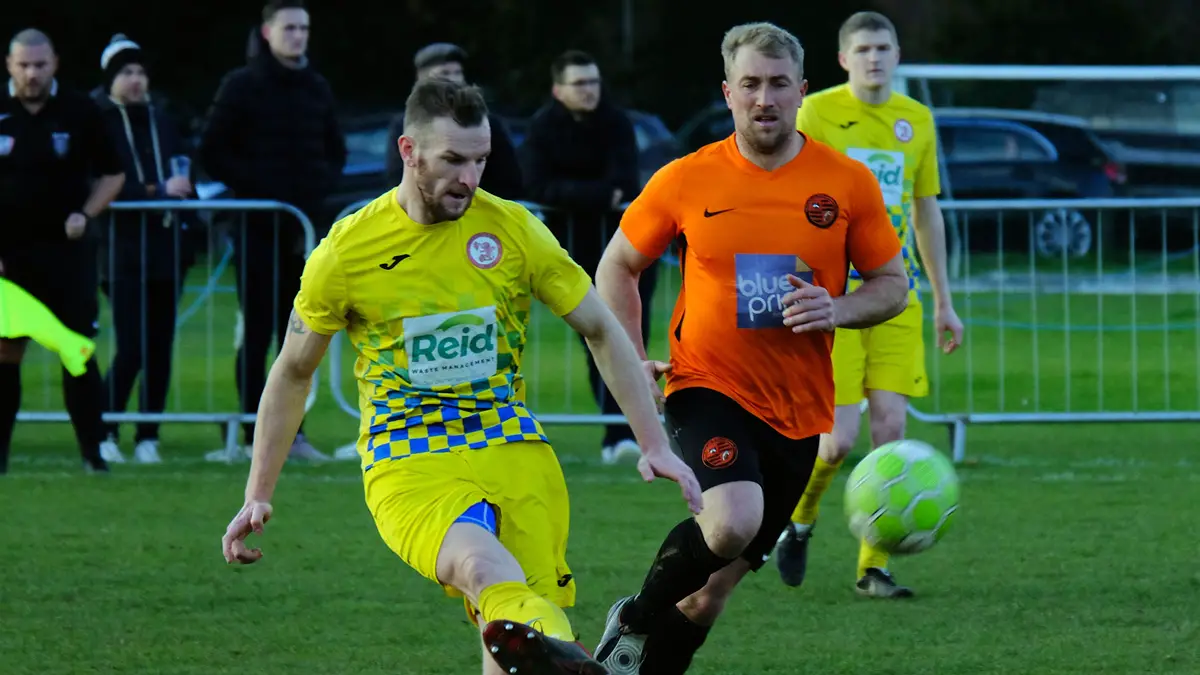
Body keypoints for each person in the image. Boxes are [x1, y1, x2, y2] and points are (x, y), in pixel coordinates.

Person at [219, 78, 703, 675]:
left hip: (512, 446)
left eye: (480, 159)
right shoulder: (346, 253)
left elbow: (601, 328)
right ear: (408, 151)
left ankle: (567, 660)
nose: (469, 178)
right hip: (410, 459)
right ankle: (581, 666)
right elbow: (292, 372)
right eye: (452, 160)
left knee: (514, 633)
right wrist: (257, 493)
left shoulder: (513, 229)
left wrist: (652, 441)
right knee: (483, 569)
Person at [591, 22, 909, 674]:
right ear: (728, 93)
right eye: (750, 84)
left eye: (778, 84)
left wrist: (838, 306)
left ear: (803, 92)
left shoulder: (845, 182)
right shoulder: (686, 178)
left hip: (799, 406)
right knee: (732, 519)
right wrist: (631, 351)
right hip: (705, 383)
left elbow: (894, 287)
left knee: (709, 595)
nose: (764, 98)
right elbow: (618, 265)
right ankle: (630, 621)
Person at [774, 10, 964, 599]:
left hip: (895, 293)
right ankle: (799, 521)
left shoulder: (917, 119)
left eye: (883, 47)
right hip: (836, 296)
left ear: (898, 54)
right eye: (863, 49)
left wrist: (944, 301)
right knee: (837, 442)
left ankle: (872, 567)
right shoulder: (818, 113)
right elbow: (793, 196)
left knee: (892, 431)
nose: (874, 58)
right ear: (843, 59)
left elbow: (926, 210)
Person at [199, 0, 345, 461]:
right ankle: (248, 433)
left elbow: (334, 150)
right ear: (267, 33)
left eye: (303, 27)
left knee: (300, 333)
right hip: (256, 228)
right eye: (289, 28)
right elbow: (212, 149)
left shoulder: (317, 86)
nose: (298, 36)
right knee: (257, 332)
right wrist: (260, 190)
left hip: (301, 232)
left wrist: (314, 192)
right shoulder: (241, 85)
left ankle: (293, 436)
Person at [0, 28, 125, 475]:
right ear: (10, 65)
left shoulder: (79, 110)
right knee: (5, 353)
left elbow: (114, 174)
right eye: (23, 65)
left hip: (66, 256)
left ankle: (93, 454)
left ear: (54, 63)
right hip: (9, 260)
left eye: (40, 64)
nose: (32, 74)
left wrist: (86, 214)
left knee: (77, 352)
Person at [522, 49, 650, 465]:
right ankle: (613, 430)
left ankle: (632, 430)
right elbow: (539, 186)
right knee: (594, 337)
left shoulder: (616, 123)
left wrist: (579, 194)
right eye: (579, 83)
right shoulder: (542, 128)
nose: (589, 90)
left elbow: (626, 180)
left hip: (625, 253)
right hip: (572, 252)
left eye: (594, 81)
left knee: (631, 338)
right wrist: (598, 195)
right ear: (559, 89)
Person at [93, 33, 195, 465]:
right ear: (110, 79)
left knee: (160, 345)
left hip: (165, 248)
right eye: (126, 73)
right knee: (132, 344)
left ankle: (148, 434)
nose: (135, 80)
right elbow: (100, 182)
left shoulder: (163, 119)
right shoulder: (97, 121)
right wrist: (155, 190)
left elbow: (183, 169)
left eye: (140, 72)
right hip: (119, 249)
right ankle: (104, 428)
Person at [384, 42, 523, 200]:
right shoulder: (403, 125)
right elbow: (396, 179)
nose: (454, 79)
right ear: (421, 78)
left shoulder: (488, 123)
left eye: (458, 72)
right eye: (444, 73)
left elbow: (509, 179)